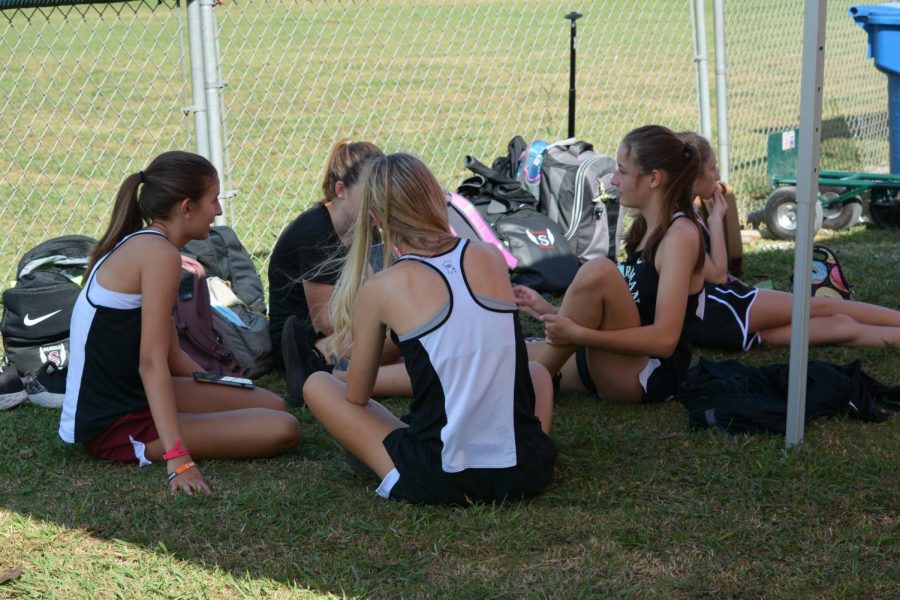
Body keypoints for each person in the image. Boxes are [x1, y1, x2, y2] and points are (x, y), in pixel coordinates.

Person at [303, 153, 557, 505]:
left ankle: (401, 450)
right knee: (537, 373)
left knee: (317, 384)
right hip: (527, 471)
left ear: (375, 218)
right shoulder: (490, 256)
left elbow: (358, 395)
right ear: (437, 200)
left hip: (440, 476)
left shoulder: (380, 287)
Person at [58, 151, 301, 496]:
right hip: (116, 424)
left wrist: (225, 385)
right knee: (283, 427)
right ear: (186, 207)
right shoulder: (159, 255)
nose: (218, 211)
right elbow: (152, 362)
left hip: (139, 396)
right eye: (213, 200)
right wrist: (179, 459)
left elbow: (173, 357)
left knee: (272, 404)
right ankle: (168, 444)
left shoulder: (151, 245)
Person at [516, 125, 706, 403]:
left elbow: (665, 340)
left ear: (654, 178)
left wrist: (581, 334)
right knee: (506, 356)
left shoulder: (680, 237)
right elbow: (629, 310)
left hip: (647, 374)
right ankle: (538, 377)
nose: (614, 180)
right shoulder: (645, 227)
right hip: (614, 360)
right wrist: (553, 312)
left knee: (599, 270)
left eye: (623, 171)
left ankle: (532, 390)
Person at [679, 130, 900, 350]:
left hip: (721, 320)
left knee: (841, 326)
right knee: (822, 307)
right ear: (692, 178)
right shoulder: (681, 223)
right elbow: (717, 276)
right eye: (712, 168)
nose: (717, 176)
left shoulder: (688, 211)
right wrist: (717, 219)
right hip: (718, 312)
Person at [267, 139, 401, 403]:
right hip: (309, 342)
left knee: (411, 338)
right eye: (371, 191)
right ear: (341, 190)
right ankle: (316, 369)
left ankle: (338, 377)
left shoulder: (366, 222)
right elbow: (326, 322)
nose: (379, 199)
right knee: (403, 338)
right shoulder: (315, 231)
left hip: (354, 327)